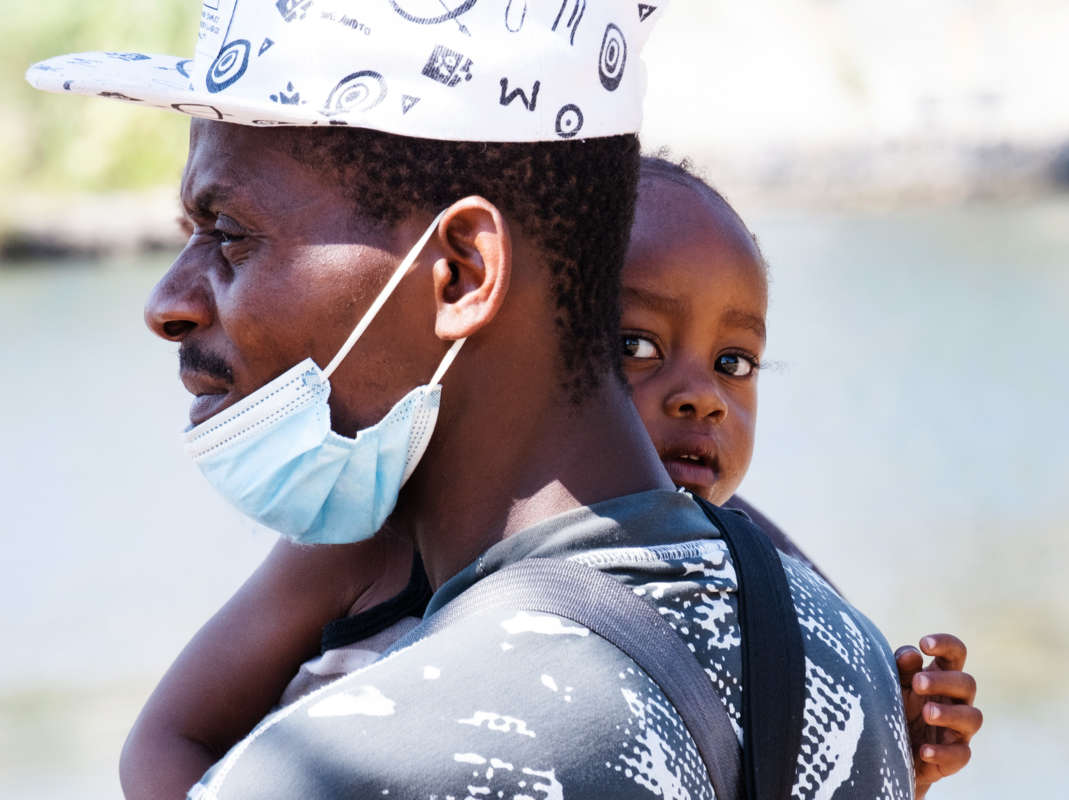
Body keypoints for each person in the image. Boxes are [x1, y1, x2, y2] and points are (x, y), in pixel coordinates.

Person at [29, 2, 926, 797]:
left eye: (228, 234)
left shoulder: (349, 768)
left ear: (462, 271)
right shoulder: (846, 664)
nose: (168, 303)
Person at [119, 155, 983, 799]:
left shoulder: (751, 559)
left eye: (734, 361)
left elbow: (800, 729)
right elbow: (168, 736)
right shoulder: (376, 531)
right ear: (548, 347)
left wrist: (898, 729)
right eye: (637, 347)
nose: (703, 399)